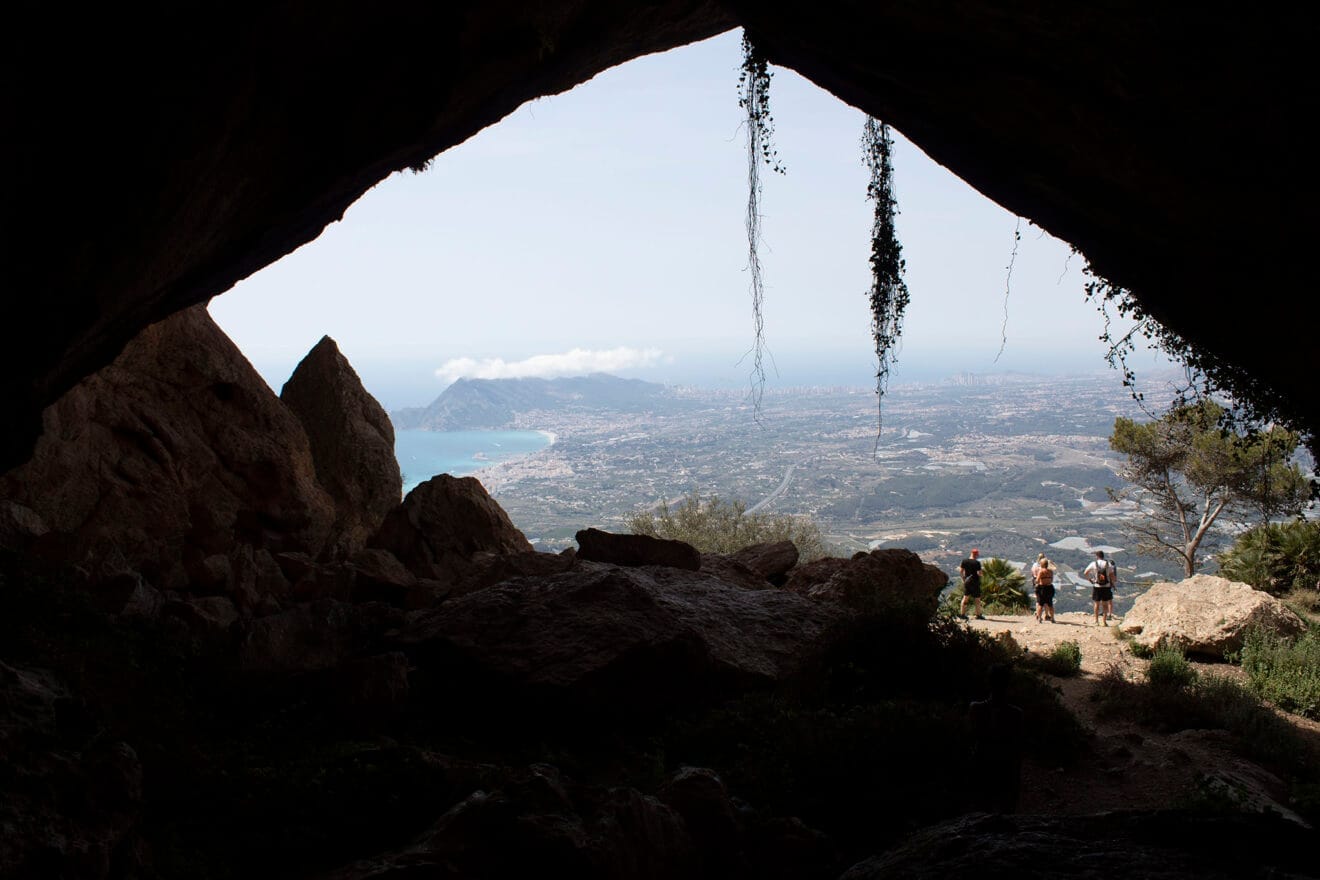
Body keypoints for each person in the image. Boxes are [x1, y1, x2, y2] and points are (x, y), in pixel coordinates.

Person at [969, 663, 1023, 813]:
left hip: (982, 768)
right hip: (1005, 771)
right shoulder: (1016, 714)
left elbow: (972, 741)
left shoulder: (975, 709)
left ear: (988, 683)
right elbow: (1016, 752)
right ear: (1008, 685)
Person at [1083, 550, 1117, 625]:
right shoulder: (1108, 564)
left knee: (1096, 604)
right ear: (1103, 556)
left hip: (1097, 586)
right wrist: (1112, 582)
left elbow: (1085, 573)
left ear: (1097, 556)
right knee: (1105, 604)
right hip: (1106, 587)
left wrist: (1090, 580)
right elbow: (1113, 577)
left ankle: (1096, 621)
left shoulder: (1093, 564)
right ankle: (1104, 621)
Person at [958, 548, 984, 620]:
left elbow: (961, 571)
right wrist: (982, 574)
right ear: (976, 554)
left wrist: (963, 579)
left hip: (967, 581)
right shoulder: (977, 563)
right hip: (975, 582)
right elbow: (979, 573)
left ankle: (962, 614)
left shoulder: (964, 561)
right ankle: (978, 615)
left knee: (965, 597)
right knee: (977, 599)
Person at [1034, 557, 1056, 623]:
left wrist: (1036, 583)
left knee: (1040, 604)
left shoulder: (1041, 571)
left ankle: (1039, 618)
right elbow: (1051, 580)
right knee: (1050, 604)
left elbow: (1037, 580)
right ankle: (1052, 618)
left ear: (1042, 564)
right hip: (1049, 588)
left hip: (1042, 588)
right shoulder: (1050, 571)